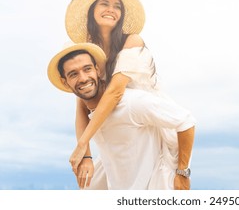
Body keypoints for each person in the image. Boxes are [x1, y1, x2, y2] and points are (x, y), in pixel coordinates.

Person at [63, 0, 195, 189]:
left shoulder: (132, 41)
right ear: (91, 12)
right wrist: (86, 154)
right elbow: (82, 104)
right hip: (119, 127)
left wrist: (81, 145)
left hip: (146, 119)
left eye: (117, 7)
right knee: (91, 187)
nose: (111, 9)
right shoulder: (90, 53)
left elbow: (116, 92)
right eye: (104, 4)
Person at [47, 42, 196, 189]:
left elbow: (186, 121)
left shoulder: (132, 102)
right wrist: (86, 156)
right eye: (73, 74)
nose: (83, 78)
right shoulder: (89, 113)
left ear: (98, 70)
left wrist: (182, 173)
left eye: (87, 69)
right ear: (65, 82)